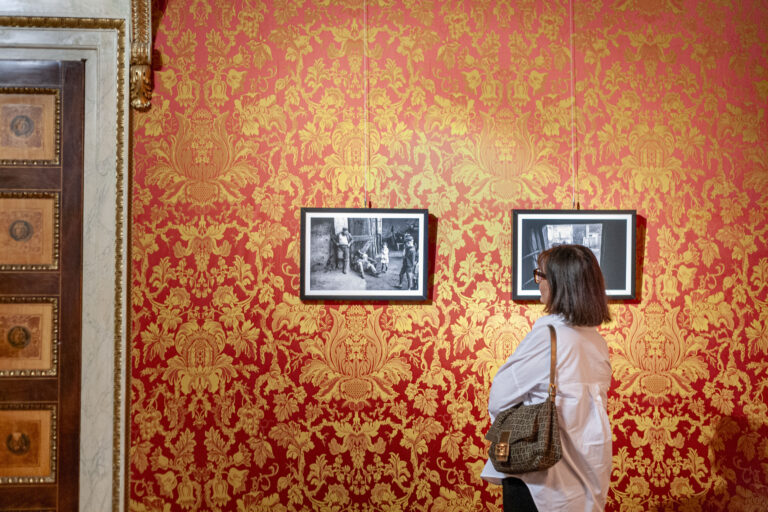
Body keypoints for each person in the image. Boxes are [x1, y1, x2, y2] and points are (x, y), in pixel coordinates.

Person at [481, 244, 612, 512]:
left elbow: (498, 398)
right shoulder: (597, 341)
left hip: (540, 477)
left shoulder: (548, 337)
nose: (537, 281)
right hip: (589, 472)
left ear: (558, 283)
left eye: (541, 275)